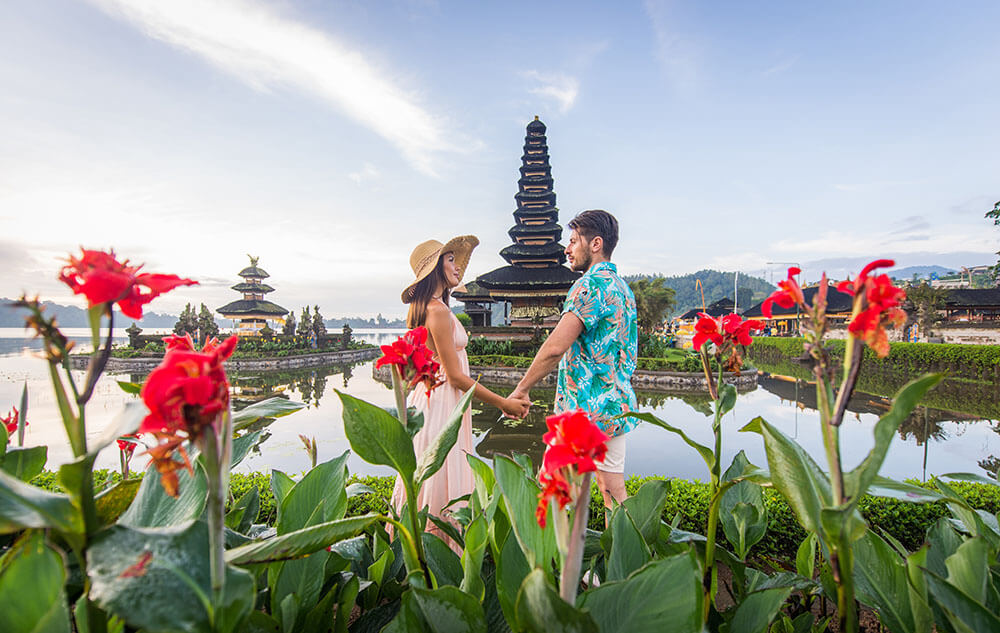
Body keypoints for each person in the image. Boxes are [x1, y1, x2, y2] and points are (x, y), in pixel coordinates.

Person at [391, 235, 530, 547]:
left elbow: (416, 369)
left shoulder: (425, 308)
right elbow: (454, 376)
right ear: (434, 269)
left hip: (430, 399)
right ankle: (444, 552)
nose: (457, 266)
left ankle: (420, 554)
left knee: (431, 476)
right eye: (450, 259)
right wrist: (503, 403)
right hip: (443, 401)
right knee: (443, 473)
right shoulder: (437, 311)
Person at [510, 210, 638, 514]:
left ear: (595, 244)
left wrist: (522, 389)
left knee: (552, 494)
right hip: (614, 409)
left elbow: (555, 347)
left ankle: (550, 561)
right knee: (613, 494)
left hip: (580, 414)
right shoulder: (624, 289)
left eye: (572, 241)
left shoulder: (589, 286)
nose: (567, 249)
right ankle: (625, 559)